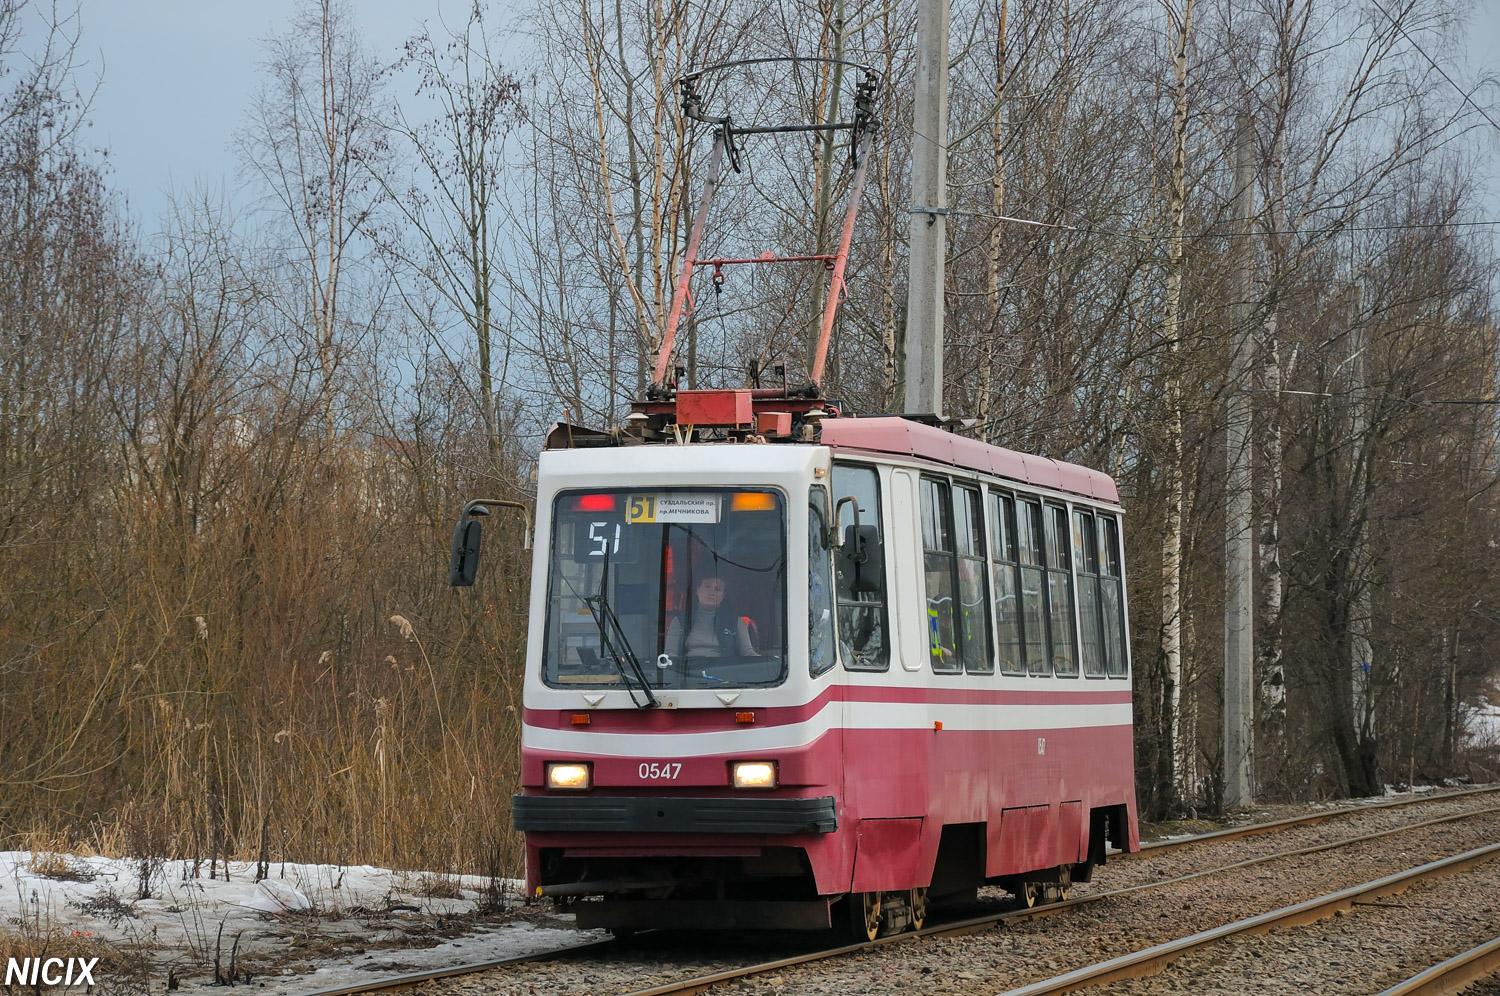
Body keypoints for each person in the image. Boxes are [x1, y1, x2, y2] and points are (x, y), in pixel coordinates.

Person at [663, 576, 756, 660]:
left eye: (718, 589)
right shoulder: (680, 620)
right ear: (697, 589)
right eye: (707, 586)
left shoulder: (735, 622)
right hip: (687, 676)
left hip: (726, 676)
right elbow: (670, 655)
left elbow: (748, 654)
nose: (712, 592)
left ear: (723, 595)